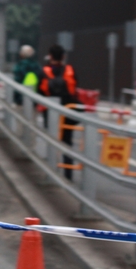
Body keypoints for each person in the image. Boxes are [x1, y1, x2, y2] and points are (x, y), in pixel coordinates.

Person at [39, 44, 78, 180]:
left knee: (52, 141)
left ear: (50, 56)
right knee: (67, 142)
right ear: (63, 56)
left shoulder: (44, 71)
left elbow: (39, 92)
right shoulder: (70, 70)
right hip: (67, 111)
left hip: (50, 112)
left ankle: (51, 173)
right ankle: (68, 174)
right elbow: (74, 89)